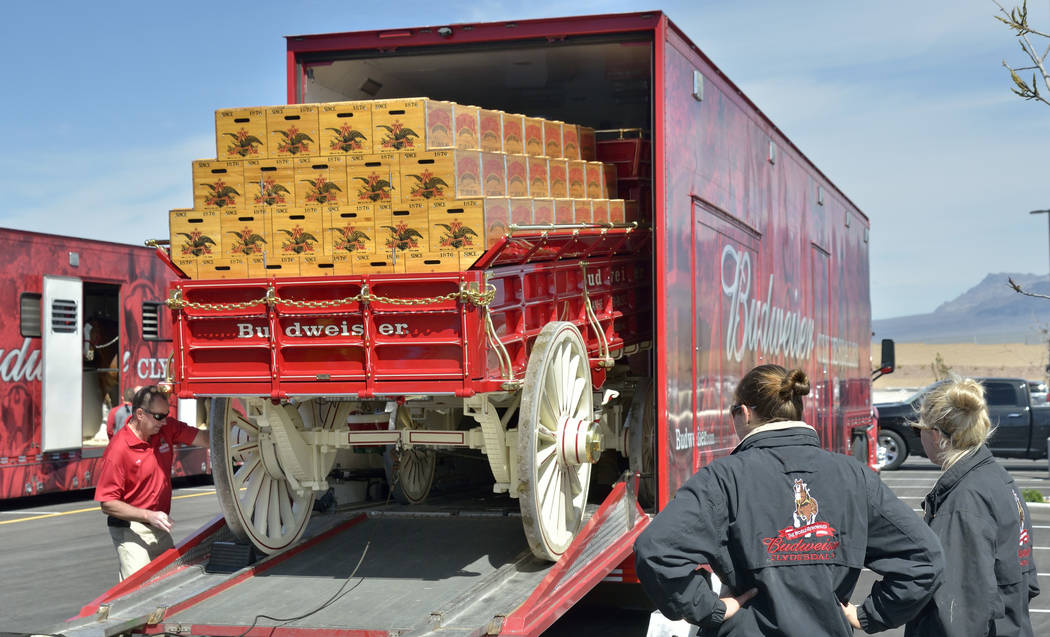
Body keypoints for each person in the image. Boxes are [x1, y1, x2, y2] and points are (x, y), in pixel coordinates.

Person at [634, 364, 944, 635]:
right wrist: (870, 614)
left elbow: (656, 550)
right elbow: (925, 558)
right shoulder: (854, 476)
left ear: (744, 413)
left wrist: (709, 608)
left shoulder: (722, 478)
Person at [904, 377, 1039, 636]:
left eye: (917, 429)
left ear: (934, 435)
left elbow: (959, 612)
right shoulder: (999, 479)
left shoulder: (964, 502)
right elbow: (1027, 581)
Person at [94, 385, 210, 580]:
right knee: (137, 588)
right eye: (158, 416)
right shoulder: (119, 450)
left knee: (171, 582)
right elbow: (107, 503)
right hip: (131, 528)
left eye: (166, 415)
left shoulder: (166, 429)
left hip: (157, 524)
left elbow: (205, 439)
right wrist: (148, 515)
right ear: (140, 414)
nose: (164, 421)